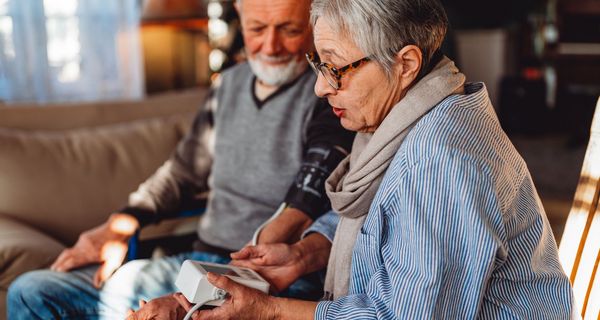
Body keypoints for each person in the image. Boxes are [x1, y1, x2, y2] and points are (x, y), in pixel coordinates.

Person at [159, 0, 576, 319]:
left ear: (406, 64)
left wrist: (269, 310)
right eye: (318, 64)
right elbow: (381, 215)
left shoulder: (440, 162)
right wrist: (306, 254)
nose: (321, 88)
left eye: (336, 68)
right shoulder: (410, 118)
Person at [6, 0, 355, 318]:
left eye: (289, 29)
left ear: (313, 22)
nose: (270, 46)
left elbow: (314, 183)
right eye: (257, 29)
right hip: (196, 262)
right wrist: (119, 224)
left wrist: (183, 299)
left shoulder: (329, 90)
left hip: (276, 277)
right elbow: (181, 174)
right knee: (31, 292)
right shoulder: (228, 86)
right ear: (239, 14)